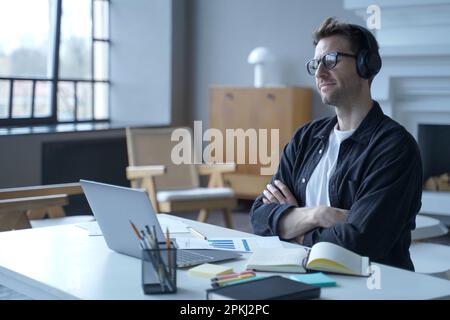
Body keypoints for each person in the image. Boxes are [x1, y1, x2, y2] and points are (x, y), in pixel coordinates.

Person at [250, 17, 422, 271]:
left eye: (330, 60)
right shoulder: (304, 139)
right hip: (302, 275)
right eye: (315, 64)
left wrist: (296, 232)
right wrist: (317, 215)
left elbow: (362, 241)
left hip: (369, 288)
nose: (319, 73)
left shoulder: (394, 147)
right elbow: (258, 217)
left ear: (366, 65)